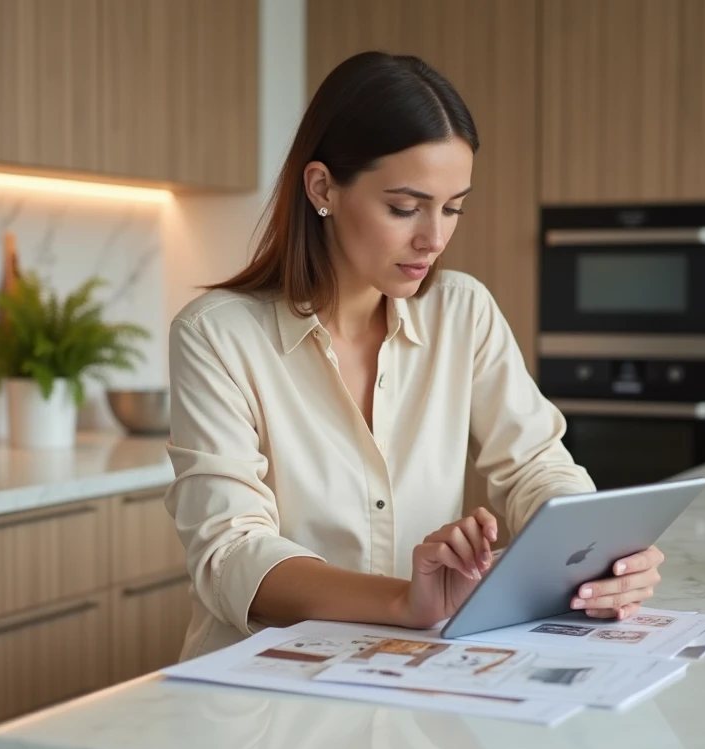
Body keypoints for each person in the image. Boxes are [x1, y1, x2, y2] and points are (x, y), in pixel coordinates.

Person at [164, 51, 665, 661]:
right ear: (323, 187)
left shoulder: (462, 311)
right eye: (405, 208)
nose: (434, 237)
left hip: (416, 674)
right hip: (266, 686)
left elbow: (535, 463)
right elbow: (230, 553)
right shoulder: (217, 335)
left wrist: (602, 550)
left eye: (452, 207)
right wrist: (402, 601)